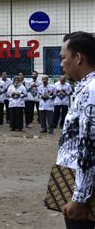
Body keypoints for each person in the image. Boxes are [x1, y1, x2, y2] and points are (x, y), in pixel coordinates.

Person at [55, 32, 95, 229]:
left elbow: (90, 145)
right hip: (74, 179)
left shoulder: (92, 90)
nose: (61, 63)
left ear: (78, 58)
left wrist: (79, 198)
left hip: (84, 193)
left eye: (64, 57)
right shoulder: (84, 87)